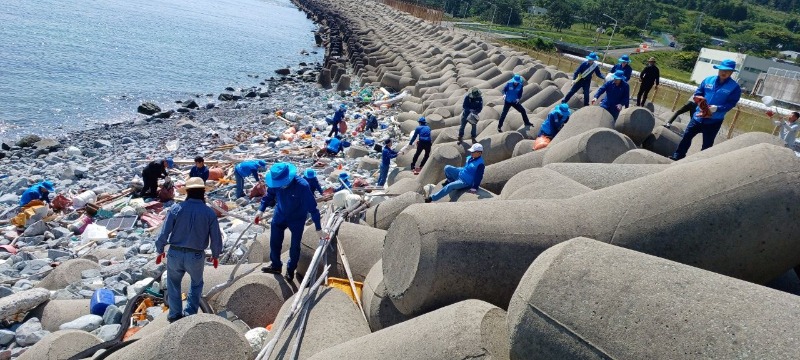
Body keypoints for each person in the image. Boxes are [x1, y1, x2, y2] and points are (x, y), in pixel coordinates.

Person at [155, 177, 222, 323]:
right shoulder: (209, 213)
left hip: (175, 253)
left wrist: (160, 249)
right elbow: (215, 238)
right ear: (203, 192)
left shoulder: (176, 209)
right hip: (196, 255)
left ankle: (174, 314)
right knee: (196, 283)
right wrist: (215, 255)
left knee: (173, 283)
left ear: (187, 192)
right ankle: (190, 313)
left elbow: (164, 232)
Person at [256, 163, 324, 281]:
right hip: (280, 214)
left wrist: (318, 229)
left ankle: (291, 269)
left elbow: (313, 208)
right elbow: (269, 195)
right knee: (274, 241)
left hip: (297, 218)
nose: (279, 186)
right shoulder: (275, 182)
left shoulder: (302, 186)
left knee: (295, 246)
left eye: (282, 183)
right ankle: (276, 265)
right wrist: (260, 209)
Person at [670, 59, 742, 160]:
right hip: (698, 117)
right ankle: (678, 155)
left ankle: (701, 162)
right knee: (686, 136)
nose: (724, 72)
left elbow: (731, 104)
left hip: (714, 120)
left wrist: (717, 108)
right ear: (718, 70)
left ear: (732, 72)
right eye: (722, 70)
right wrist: (700, 100)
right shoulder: (708, 80)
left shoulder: (735, 88)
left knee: (707, 144)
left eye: (727, 71)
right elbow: (699, 93)